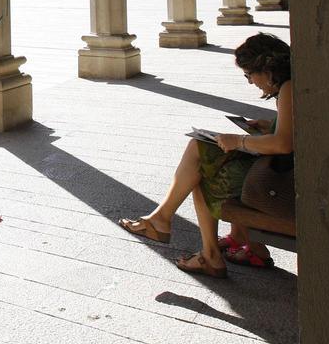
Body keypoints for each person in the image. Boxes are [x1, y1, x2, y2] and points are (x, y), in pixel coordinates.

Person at [119, 33, 294, 278]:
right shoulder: (291, 86)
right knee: (200, 151)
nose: (251, 82)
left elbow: (284, 144)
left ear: (266, 68)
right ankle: (165, 221)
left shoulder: (289, 89)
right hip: (284, 172)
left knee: (201, 165)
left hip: (277, 183)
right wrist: (269, 125)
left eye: (249, 74)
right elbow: (289, 133)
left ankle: (199, 247)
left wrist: (239, 140)